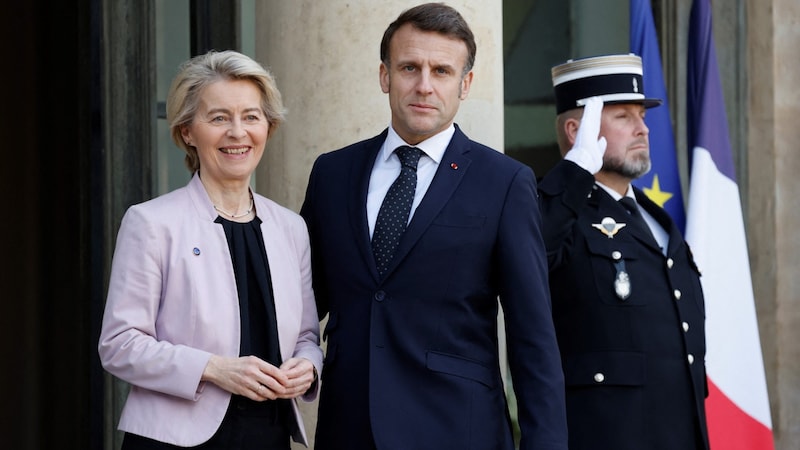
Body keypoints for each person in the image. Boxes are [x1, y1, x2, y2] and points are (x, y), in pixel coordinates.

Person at [300, 3, 567, 450]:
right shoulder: (332, 174)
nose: (424, 86)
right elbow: (303, 302)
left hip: (458, 430)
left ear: (465, 84)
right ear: (385, 76)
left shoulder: (505, 182)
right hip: (349, 429)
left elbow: (532, 337)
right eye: (409, 68)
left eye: (441, 71)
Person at [98, 50, 323, 450]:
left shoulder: (291, 228)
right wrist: (214, 369)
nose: (237, 132)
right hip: (174, 440)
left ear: (267, 127)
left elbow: (306, 334)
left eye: (251, 116)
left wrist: (308, 365)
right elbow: (119, 345)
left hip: (267, 436)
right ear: (187, 131)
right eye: (219, 118)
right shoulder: (151, 223)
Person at [538, 54, 709, 449]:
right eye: (623, 117)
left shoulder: (655, 218)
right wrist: (575, 173)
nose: (643, 129)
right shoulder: (557, 211)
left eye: (642, 116)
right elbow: (530, 256)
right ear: (574, 130)